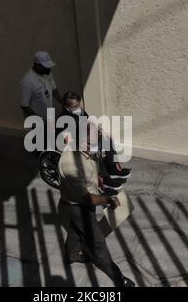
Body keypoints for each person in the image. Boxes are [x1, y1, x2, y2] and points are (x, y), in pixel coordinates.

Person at [57, 122, 135, 287]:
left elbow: (94, 157)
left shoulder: (85, 148)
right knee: (98, 243)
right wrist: (108, 199)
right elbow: (88, 199)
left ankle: (71, 257)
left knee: (74, 234)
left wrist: (98, 176)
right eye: (93, 143)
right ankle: (119, 279)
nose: (96, 146)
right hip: (76, 207)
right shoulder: (71, 164)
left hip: (77, 204)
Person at [58, 91, 131, 191]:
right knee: (94, 149)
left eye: (79, 105)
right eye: (75, 107)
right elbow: (67, 140)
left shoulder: (81, 113)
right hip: (74, 145)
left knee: (106, 139)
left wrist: (102, 131)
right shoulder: (64, 119)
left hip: (85, 138)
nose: (78, 108)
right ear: (67, 107)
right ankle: (105, 179)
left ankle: (113, 167)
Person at [20, 51, 61, 120]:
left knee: (52, 130)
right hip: (37, 121)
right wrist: (40, 121)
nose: (49, 69)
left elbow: (54, 90)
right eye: (46, 67)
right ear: (37, 65)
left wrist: (66, 104)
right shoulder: (28, 81)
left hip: (49, 116)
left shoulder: (48, 73)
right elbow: (24, 105)